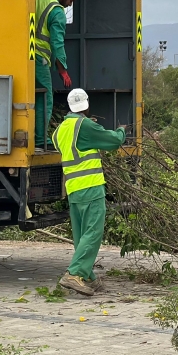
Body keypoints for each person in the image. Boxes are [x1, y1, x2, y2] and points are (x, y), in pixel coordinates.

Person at [54, 88, 127, 296]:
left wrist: (90, 126)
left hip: (74, 190)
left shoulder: (59, 130)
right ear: (86, 105)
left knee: (82, 236)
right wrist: (121, 129)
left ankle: (87, 277)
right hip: (91, 187)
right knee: (93, 233)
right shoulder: (85, 125)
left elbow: (75, 145)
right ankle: (74, 274)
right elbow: (113, 141)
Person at [34, 0, 83, 148]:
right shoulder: (57, 12)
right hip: (39, 58)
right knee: (45, 97)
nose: (69, 5)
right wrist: (63, 70)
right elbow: (57, 43)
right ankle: (40, 139)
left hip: (22, 56)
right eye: (70, 0)